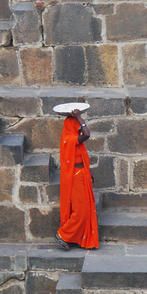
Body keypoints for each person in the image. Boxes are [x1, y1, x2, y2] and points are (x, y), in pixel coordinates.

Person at [55, 107, 99, 250]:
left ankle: (74, 238)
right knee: (81, 212)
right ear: (71, 127)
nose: (79, 129)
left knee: (85, 209)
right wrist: (79, 117)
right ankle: (62, 235)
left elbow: (82, 156)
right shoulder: (69, 139)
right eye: (77, 126)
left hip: (82, 173)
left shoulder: (75, 141)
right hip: (74, 178)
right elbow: (87, 134)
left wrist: (89, 170)